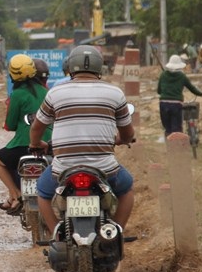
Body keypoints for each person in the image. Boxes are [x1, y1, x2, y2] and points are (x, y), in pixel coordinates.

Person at [29, 45, 136, 234]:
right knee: (126, 189)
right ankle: (115, 231)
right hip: (105, 168)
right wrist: (121, 140)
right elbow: (128, 133)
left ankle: (56, 233)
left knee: (43, 193)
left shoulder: (55, 93)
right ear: (99, 67)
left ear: (70, 67)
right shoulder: (115, 93)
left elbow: (37, 127)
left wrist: (36, 144)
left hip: (63, 168)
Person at [0, 54, 52, 214]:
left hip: (24, 147)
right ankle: (13, 197)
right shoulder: (47, 92)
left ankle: (15, 194)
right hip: (49, 145)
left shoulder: (17, 94)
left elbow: (10, 125)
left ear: (12, 74)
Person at [157, 54, 202, 136]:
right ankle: (178, 147)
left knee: (168, 129)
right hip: (176, 104)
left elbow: (159, 91)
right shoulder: (182, 76)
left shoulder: (163, 75)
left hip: (163, 104)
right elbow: (192, 88)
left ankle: (169, 146)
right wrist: (201, 93)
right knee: (177, 129)